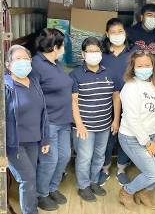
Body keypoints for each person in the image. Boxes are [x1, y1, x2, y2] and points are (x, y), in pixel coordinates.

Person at [118, 50, 155, 210]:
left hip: (153, 134)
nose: (144, 68)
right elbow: (133, 120)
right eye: (139, 66)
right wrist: (148, 143)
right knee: (153, 173)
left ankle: (144, 192)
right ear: (133, 68)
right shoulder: (130, 87)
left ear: (153, 66)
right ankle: (127, 192)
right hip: (131, 137)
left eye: (147, 65)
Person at [69, 37, 121, 202]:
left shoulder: (110, 73)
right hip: (84, 127)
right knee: (85, 157)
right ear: (83, 54)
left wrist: (116, 120)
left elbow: (116, 98)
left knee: (99, 155)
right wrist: (79, 125)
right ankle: (83, 186)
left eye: (96, 51)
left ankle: (93, 181)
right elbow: (73, 102)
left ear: (101, 53)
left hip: (104, 125)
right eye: (89, 51)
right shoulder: (75, 75)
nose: (93, 54)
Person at [31, 28, 74, 211]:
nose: (64, 48)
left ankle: (52, 187)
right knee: (50, 160)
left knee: (64, 157)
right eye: (62, 45)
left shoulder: (54, 63)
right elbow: (33, 97)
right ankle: (41, 194)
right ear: (55, 46)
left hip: (63, 121)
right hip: (48, 123)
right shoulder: (36, 65)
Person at [5, 45, 50, 214]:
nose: (23, 62)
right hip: (14, 145)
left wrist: (44, 138)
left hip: (33, 141)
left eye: (26, 58)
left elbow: (43, 112)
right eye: (18, 59)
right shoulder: (6, 87)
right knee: (28, 179)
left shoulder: (34, 82)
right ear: (8, 64)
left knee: (31, 178)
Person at [100, 18, 135, 186]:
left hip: (130, 101)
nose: (117, 35)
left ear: (125, 33)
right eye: (112, 32)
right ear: (107, 34)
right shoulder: (100, 53)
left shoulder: (133, 52)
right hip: (105, 100)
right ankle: (105, 167)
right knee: (108, 136)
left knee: (126, 136)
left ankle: (121, 168)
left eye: (120, 31)